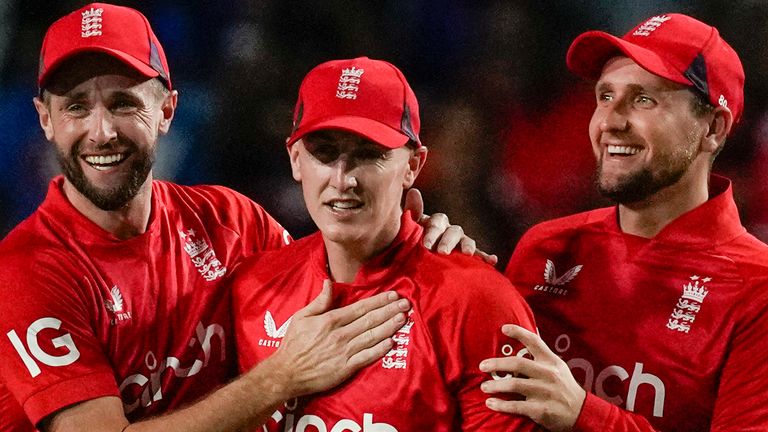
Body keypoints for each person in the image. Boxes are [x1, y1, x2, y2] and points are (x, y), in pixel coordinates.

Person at [0, 4, 481, 431]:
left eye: (124, 102)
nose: (101, 131)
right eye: (75, 107)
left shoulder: (227, 220)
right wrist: (279, 378)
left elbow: (332, 283)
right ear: (44, 119)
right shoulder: (26, 270)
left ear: (167, 110)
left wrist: (418, 245)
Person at [479, 13, 768, 432]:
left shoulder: (756, 289)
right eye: (605, 96)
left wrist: (584, 414)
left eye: (644, 99)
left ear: (713, 128)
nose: (610, 121)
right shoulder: (545, 247)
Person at [232, 56, 544, 431]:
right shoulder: (251, 287)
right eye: (324, 152)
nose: (343, 179)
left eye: (369, 154)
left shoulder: (477, 301)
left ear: (413, 165)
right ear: (295, 160)